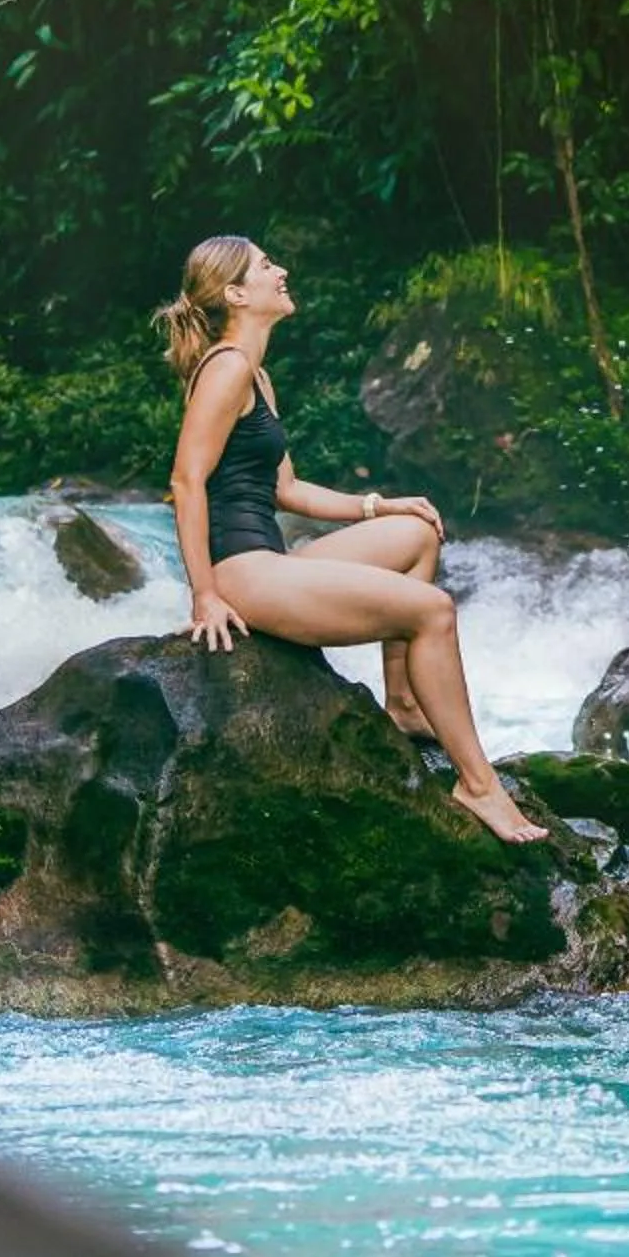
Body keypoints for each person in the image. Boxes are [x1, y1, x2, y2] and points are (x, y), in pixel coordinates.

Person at [158, 234, 547, 845]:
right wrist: (204, 595)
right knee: (433, 611)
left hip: (270, 558)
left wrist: (376, 505)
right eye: (266, 265)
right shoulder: (226, 368)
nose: (280, 270)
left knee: (416, 533)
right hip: (243, 571)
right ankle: (477, 786)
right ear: (236, 293)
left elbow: (286, 489)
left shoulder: (254, 375)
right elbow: (186, 481)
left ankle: (406, 705)